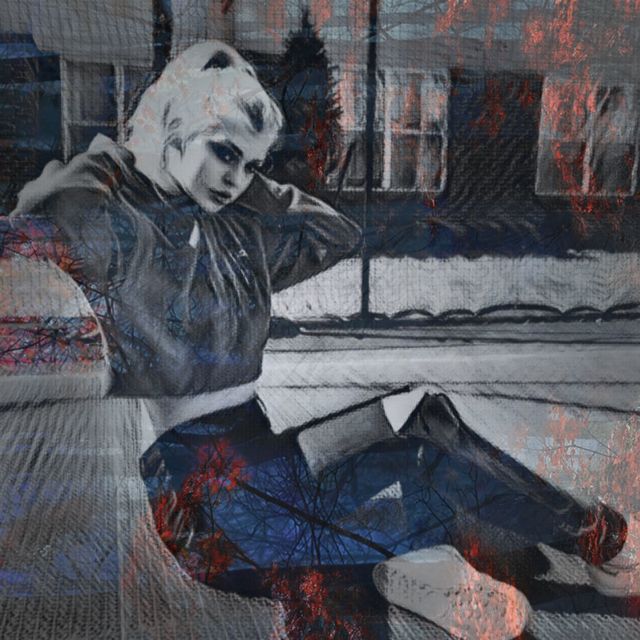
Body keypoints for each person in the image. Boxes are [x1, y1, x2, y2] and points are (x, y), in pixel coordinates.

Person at [6, 41, 634, 640]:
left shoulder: (232, 231)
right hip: (201, 494)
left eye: (251, 164)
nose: (234, 178)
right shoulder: (124, 229)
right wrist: (135, 151)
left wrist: (241, 179)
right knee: (365, 530)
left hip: (267, 454)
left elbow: (335, 233)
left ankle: (594, 539)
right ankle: (404, 561)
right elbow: (51, 207)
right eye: (224, 152)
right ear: (173, 128)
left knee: (420, 414)